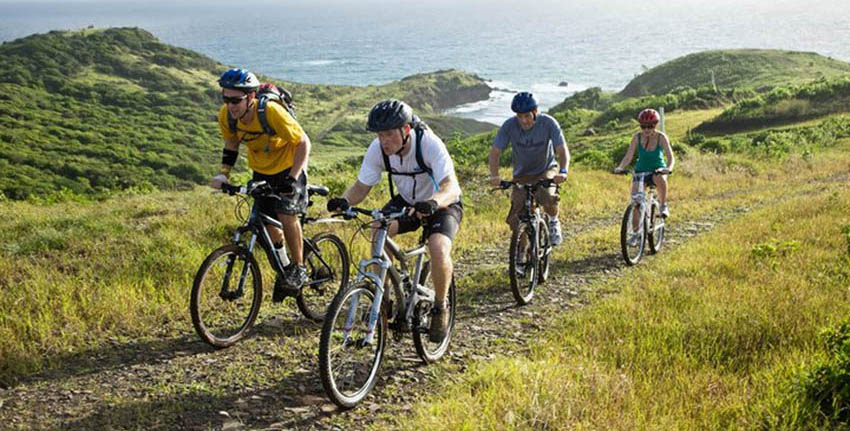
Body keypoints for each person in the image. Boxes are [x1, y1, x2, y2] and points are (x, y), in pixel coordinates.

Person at [326, 99, 463, 343]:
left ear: (406, 130)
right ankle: (384, 296)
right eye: (380, 134)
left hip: (441, 203)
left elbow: (450, 186)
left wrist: (433, 202)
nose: (384, 140)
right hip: (408, 202)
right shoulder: (378, 149)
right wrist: (344, 202)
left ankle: (440, 307)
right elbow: (361, 186)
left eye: (389, 134)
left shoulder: (428, 144)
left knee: (438, 247)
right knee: (378, 227)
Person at [209, 68, 313, 302]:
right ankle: (284, 266)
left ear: (251, 97)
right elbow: (231, 144)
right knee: (265, 223)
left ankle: (299, 267)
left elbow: (303, 143)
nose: (231, 105)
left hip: (289, 167)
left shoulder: (271, 112)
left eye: (236, 100)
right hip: (262, 171)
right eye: (226, 99)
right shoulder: (226, 116)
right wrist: (224, 174)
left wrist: (293, 178)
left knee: (287, 215)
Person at [488, 92, 570, 246]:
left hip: (546, 169)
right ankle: (521, 256)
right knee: (517, 218)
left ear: (535, 112)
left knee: (547, 195)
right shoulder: (509, 126)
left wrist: (563, 171)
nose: (523, 121)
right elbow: (495, 152)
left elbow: (562, 149)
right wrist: (494, 175)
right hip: (522, 174)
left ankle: (553, 221)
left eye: (527, 116)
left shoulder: (549, 123)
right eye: (519, 116)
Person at [613, 108, 674, 219]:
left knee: (659, 178)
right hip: (641, 170)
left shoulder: (661, 137)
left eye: (649, 126)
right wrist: (621, 167)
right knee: (636, 203)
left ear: (655, 125)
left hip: (657, 169)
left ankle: (663, 205)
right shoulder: (637, 137)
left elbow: (670, 157)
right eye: (643, 126)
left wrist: (668, 168)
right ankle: (636, 235)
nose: (646, 129)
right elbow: (628, 156)